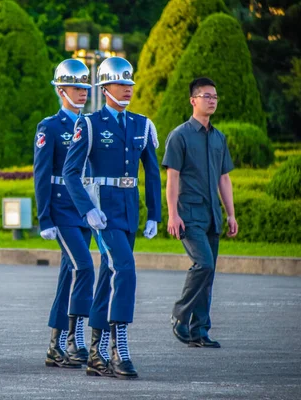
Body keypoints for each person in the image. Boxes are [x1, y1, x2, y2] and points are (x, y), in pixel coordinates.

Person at [62, 57, 162, 379]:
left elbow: (152, 171)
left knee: (108, 276)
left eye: (131, 83)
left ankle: (95, 352)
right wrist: (87, 209)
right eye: (121, 83)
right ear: (105, 88)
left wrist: (154, 214)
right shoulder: (90, 124)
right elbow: (70, 173)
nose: (129, 89)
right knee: (125, 268)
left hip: (129, 210)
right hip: (103, 213)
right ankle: (119, 346)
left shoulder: (141, 124)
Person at [164, 77, 237, 349]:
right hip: (189, 214)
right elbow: (172, 177)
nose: (212, 100)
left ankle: (199, 330)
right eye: (207, 96)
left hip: (212, 216)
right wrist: (172, 214)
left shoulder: (219, 138)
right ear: (193, 100)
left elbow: (224, 180)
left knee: (209, 273)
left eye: (215, 96)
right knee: (203, 264)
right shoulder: (179, 135)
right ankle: (179, 314)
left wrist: (230, 214)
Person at [34, 59, 94, 369]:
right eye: (76, 88)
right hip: (60, 210)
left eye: (85, 88)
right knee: (84, 267)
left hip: (83, 210)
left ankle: (55, 346)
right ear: (61, 90)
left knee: (68, 275)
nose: (82, 93)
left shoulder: (91, 124)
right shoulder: (51, 127)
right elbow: (42, 174)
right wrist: (44, 217)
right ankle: (74, 337)